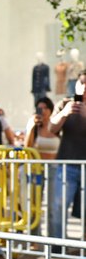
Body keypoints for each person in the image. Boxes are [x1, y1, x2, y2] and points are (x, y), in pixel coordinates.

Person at [47, 91, 86, 240]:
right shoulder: (64, 103)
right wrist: (64, 113)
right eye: (81, 82)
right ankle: (58, 247)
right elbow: (51, 128)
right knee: (58, 207)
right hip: (66, 166)